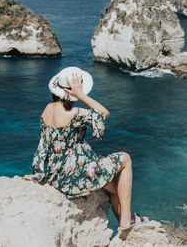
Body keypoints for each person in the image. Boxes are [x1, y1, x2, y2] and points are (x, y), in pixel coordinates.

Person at [23, 66, 148, 231]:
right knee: (125, 159)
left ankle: (125, 221)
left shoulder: (47, 109)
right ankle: (126, 221)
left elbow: (43, 145)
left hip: (57, 176)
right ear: (72, 92)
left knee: (116, 187)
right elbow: (104, 113)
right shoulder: (74, 114)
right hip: (76, 175)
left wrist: (38, 173)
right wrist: (81, 95)